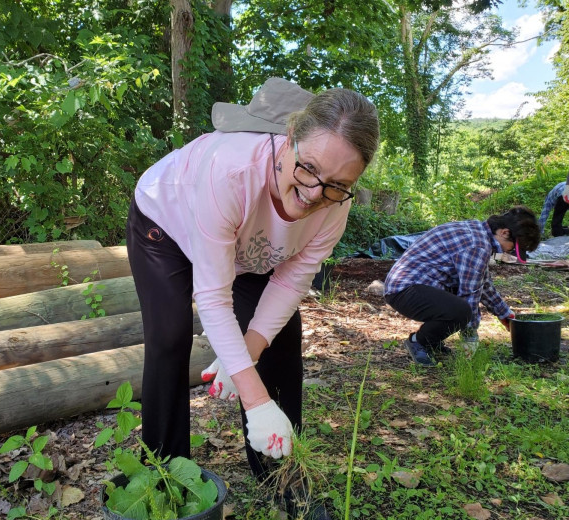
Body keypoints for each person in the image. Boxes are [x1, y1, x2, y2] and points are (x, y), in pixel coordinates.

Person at [125, 76, 379, 507]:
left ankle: (284, 480)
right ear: (290, 139)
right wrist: (254, 398)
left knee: (279, 339)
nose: (315, 193)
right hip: (166, 223)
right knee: (169, 339)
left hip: (248, 245)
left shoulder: (337, 204)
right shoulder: (230, 171)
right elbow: (213, 295)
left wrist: (248, 350)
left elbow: (292, 279)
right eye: (310, 169)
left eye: (336, 184)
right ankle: (166, 484)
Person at [383, 206, 541, 366]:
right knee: (461, 311)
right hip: (405, 289)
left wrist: (504, 314)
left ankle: (432, 341)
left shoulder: (479, 232)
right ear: (504, 232)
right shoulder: (477, 246)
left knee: (459, 308)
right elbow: (469, 293)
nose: (510, 253)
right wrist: (470, 334)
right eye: (513, 248)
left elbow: (483, 283)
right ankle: (418, 342)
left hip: (417, 286)